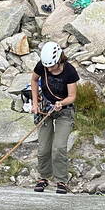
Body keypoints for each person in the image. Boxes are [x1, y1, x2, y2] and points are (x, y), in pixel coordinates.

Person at [30, 42, 79, 194]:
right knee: (43, 147)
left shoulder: (70, 71)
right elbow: (33, 80)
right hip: (45, 108)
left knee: (58, 148)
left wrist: (61, 103)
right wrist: (35, 103)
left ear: (59, 60)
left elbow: (72, 96)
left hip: (64, 110)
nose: (49, 70)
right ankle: (43, 177)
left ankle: (61, 181)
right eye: (47, 67)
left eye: (52, 66)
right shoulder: (42, 66)